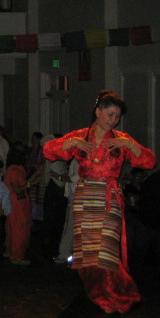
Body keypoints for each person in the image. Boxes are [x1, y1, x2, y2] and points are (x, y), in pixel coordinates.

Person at [43, 90, 157, 314]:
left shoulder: (121, 139)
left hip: (108, 198)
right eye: (110, 114)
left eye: (117, 116)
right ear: (98, 112)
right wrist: (72, 143)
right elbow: (48, 151)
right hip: (85, 197)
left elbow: (149, 161)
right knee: (88, 251)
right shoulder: (81, 136)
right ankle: (98, 291)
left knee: (106, 250)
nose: (114, 120)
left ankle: (114, 292)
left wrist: (129, 145)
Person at [3, 147, 42, 265]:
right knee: (19, 229)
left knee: (13, 228)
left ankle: (10, 252)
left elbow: (23, 183)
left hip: (18, 202)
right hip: (16, 203)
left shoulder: (16, 169)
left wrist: (36, 174)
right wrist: (32, 183)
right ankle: (16, 256)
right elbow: (17, 189)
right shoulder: (14, 170)